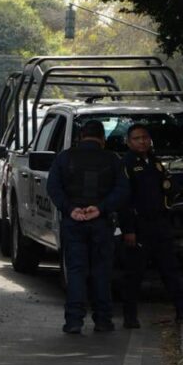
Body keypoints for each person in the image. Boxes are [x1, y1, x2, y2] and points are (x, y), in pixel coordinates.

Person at [118, 123, 183, 327]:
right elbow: (124, 201)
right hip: (139, 226)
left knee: (171, 270)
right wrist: (129, 229)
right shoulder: (126, 164)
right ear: (128, 142)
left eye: (145, 137)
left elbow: (168, 187)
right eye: (137, 138)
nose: (142, 141)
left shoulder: (155, 162)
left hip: (160, 224)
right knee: (134, 274)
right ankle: (130, 317)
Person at [46, 120, 129, 334]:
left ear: (80, 136)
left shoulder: (64, 158)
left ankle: (74, 321)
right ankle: (103, 320)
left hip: (73, 222)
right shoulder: (113, 159)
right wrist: (100, 208)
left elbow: (53, 187)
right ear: (103, 138)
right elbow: (122, 190)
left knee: (75, 271)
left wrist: (70, 208)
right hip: (101, 222)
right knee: (101, 272)